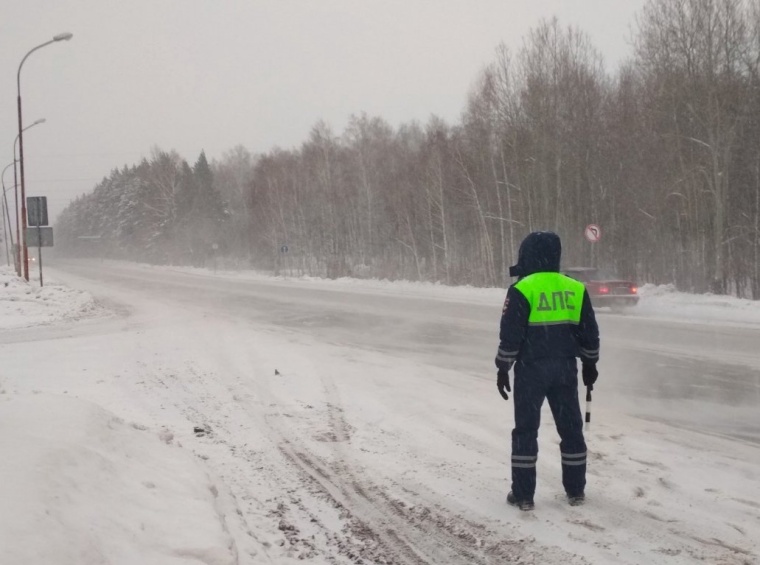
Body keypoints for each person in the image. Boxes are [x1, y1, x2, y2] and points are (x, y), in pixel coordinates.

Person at [494, 231, 599, 511]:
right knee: (572, 430)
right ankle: (576, 491)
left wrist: (503, 367)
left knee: (526, 431)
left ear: (526, 254)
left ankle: (524, 494)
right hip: (565, 368)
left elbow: (511, 335)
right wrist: (590, 364)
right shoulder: (575, 288)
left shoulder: (522, 289)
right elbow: (589, 333)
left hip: (531, 370)